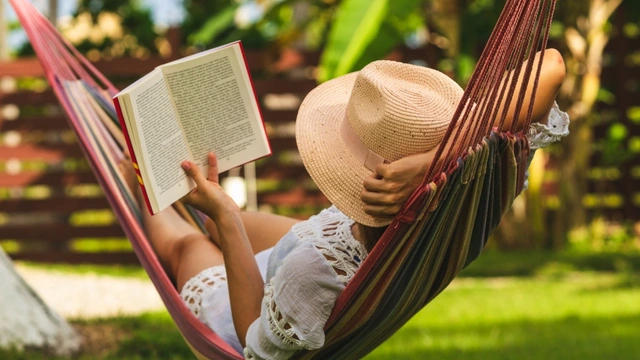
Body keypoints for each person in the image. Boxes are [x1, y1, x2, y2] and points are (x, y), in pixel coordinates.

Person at [118, 49, 569, 359]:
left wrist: (229, 217)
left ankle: (136, 185)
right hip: (338, 239)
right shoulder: (470, 190)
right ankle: (202, 207)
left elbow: (255, 346)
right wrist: (436, 160)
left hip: (268, 296)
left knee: (190, 245)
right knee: (213, 221)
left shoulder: (312, 274)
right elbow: (551, 65)